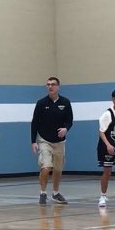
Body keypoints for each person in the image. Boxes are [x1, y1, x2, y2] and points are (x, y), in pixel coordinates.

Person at [30, 76, 73, 205]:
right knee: (46, 167)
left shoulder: (65, 102)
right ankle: (43, 193)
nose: (50, 86)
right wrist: (33, 141)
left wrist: (66, 129)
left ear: (58, 87)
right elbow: (34, 123)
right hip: (44, 140)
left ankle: (55, 193)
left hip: (59, 142)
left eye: (53, 84)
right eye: (48, 84)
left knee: (58, 169)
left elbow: (70, 120)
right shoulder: (41, 103)